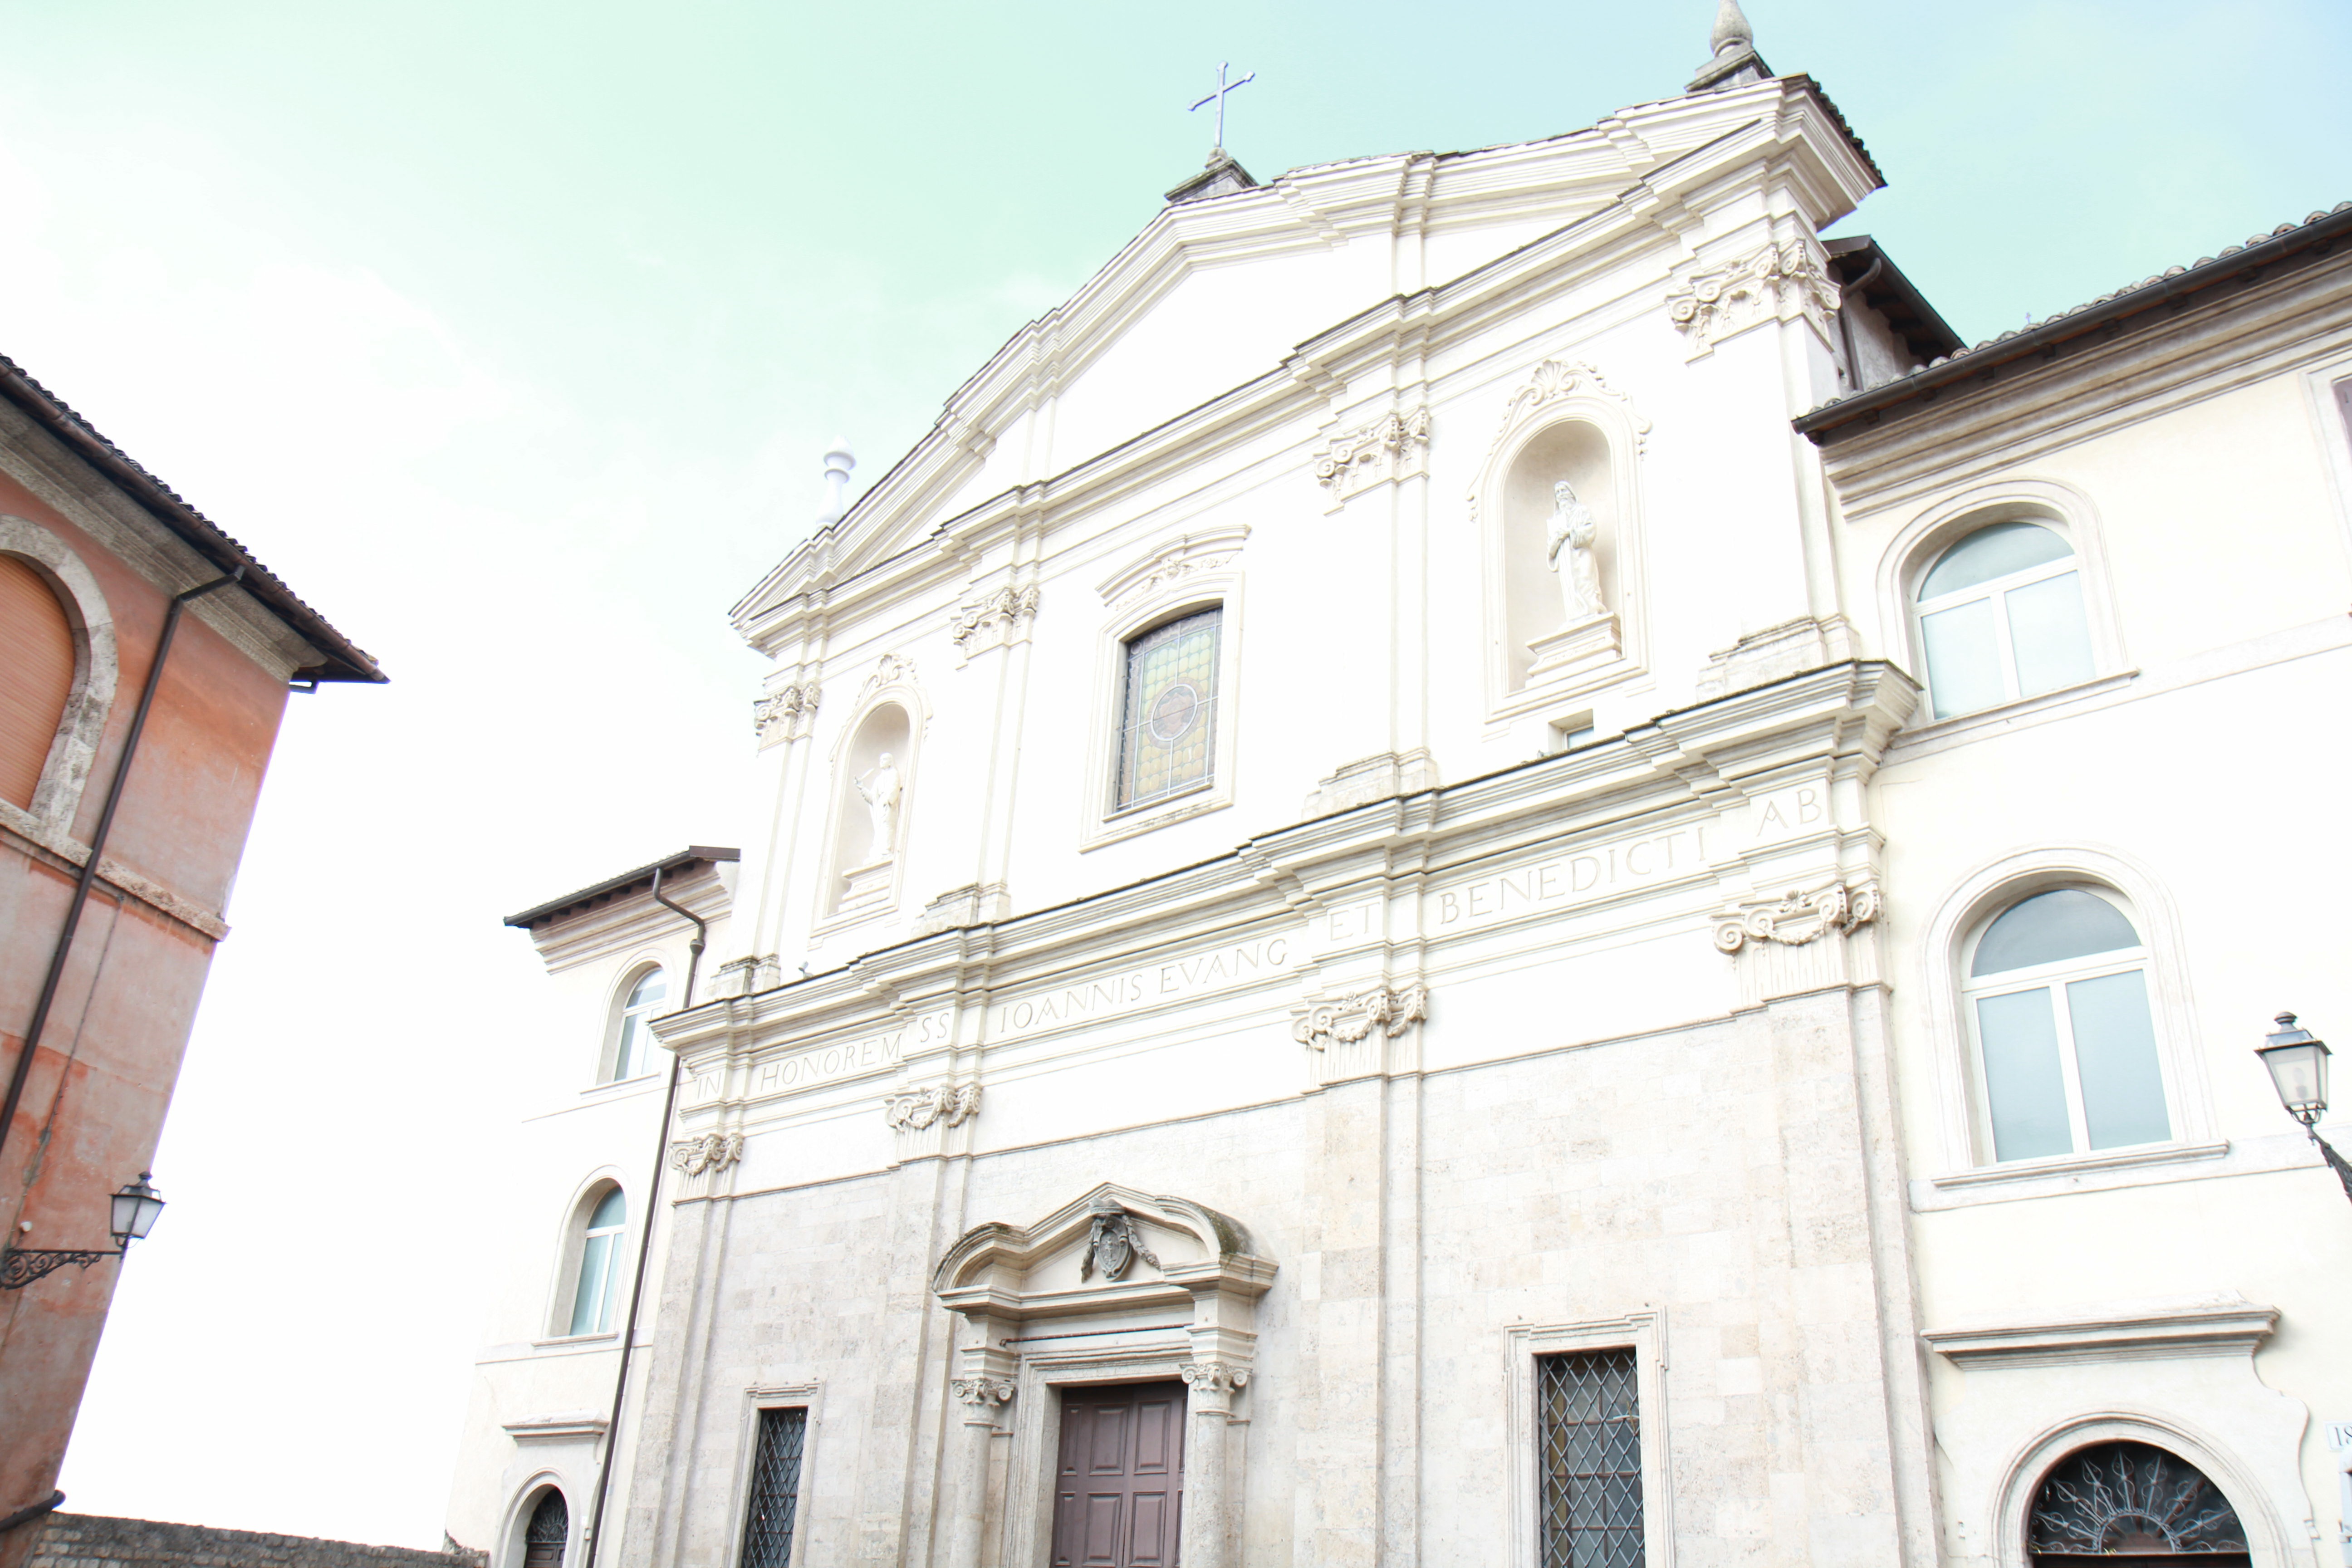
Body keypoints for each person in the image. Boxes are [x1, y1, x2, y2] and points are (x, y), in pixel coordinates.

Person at [1545, 478, 1606, 623]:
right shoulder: (1555, 521)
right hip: (1565, 559)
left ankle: (1592, 610)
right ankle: (1576, 616)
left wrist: (1570, 532)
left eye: (1563, 491)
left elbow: (1590, 530)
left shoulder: (1581, 511)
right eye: (1557, 493)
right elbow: (1551, 548)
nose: (1560, 495)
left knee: (1586, 579)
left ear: (1571, 494)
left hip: (1581, 553)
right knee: (1570, 587)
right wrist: (1558, 539)